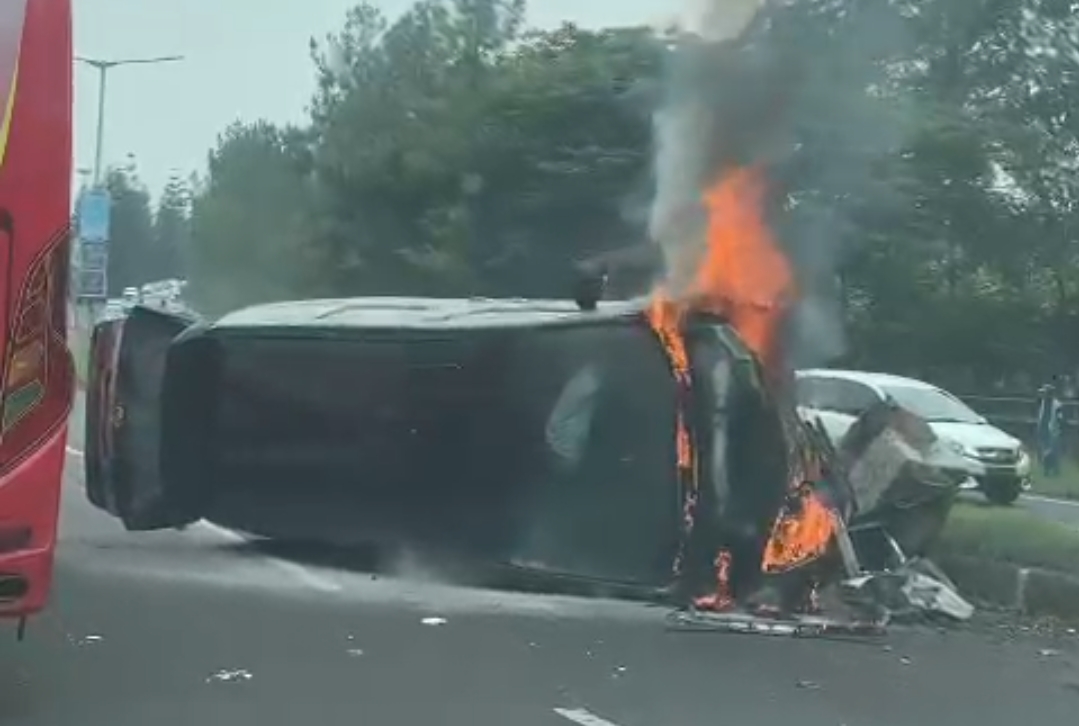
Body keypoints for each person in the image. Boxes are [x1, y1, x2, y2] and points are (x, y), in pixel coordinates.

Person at [1036, 382, 1064, 478]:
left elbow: (1060, 419)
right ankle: (1047, 470)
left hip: (1053, 431)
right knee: (1044, 450)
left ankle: (1053, 470)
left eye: (1045, 392)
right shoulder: (1042, 402)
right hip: (1043, 429)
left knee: (1052, 451)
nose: (1043, 394)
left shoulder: (1057, 405)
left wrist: (1059, 429)